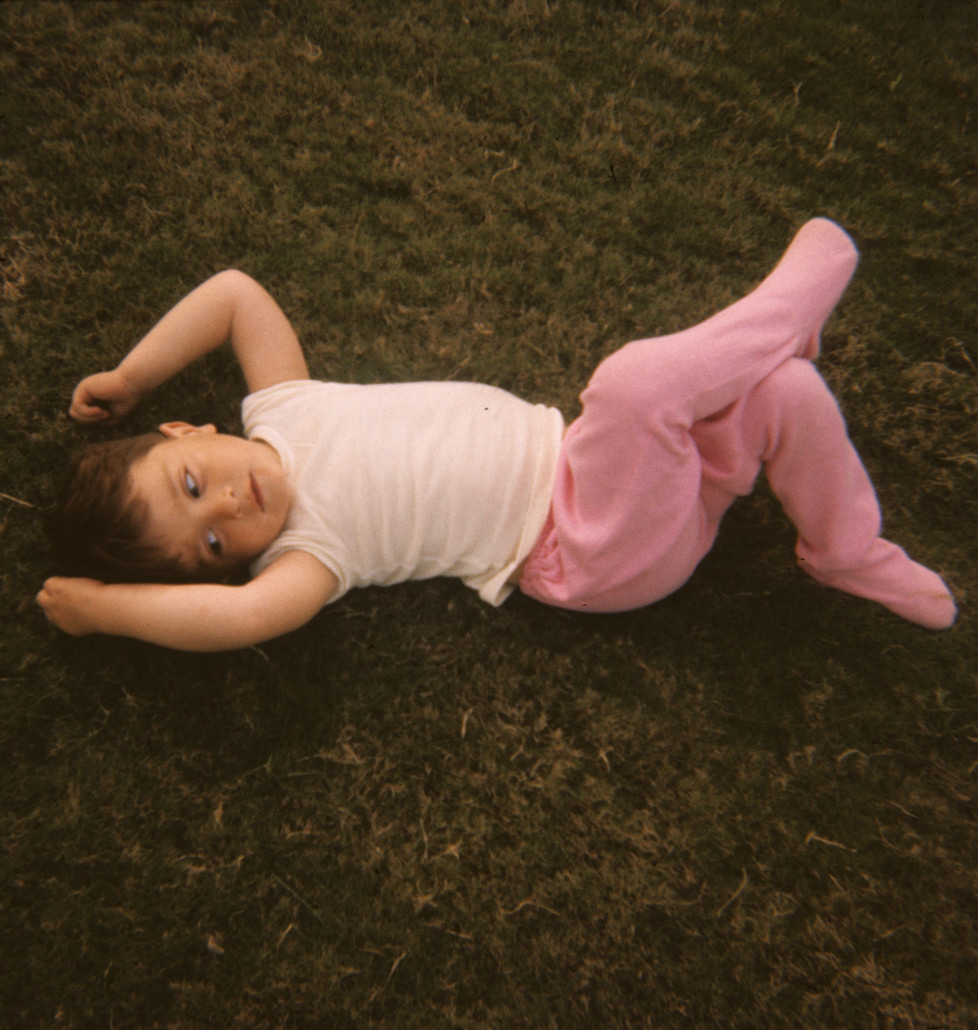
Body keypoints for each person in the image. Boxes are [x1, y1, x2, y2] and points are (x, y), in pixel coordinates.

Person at [37, 219, 957, 651]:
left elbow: (236, 293)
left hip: (634, 477)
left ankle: (844, 547)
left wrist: (131, 374)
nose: (231, 509)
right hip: (589, 546)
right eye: (212, 545)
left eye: (193, 483)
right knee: (632, 385)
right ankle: (789, 310)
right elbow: (236, 620)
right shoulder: (309, 557)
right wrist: (105, 610)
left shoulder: (282, 406)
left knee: (788, 394)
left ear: (188, 428)